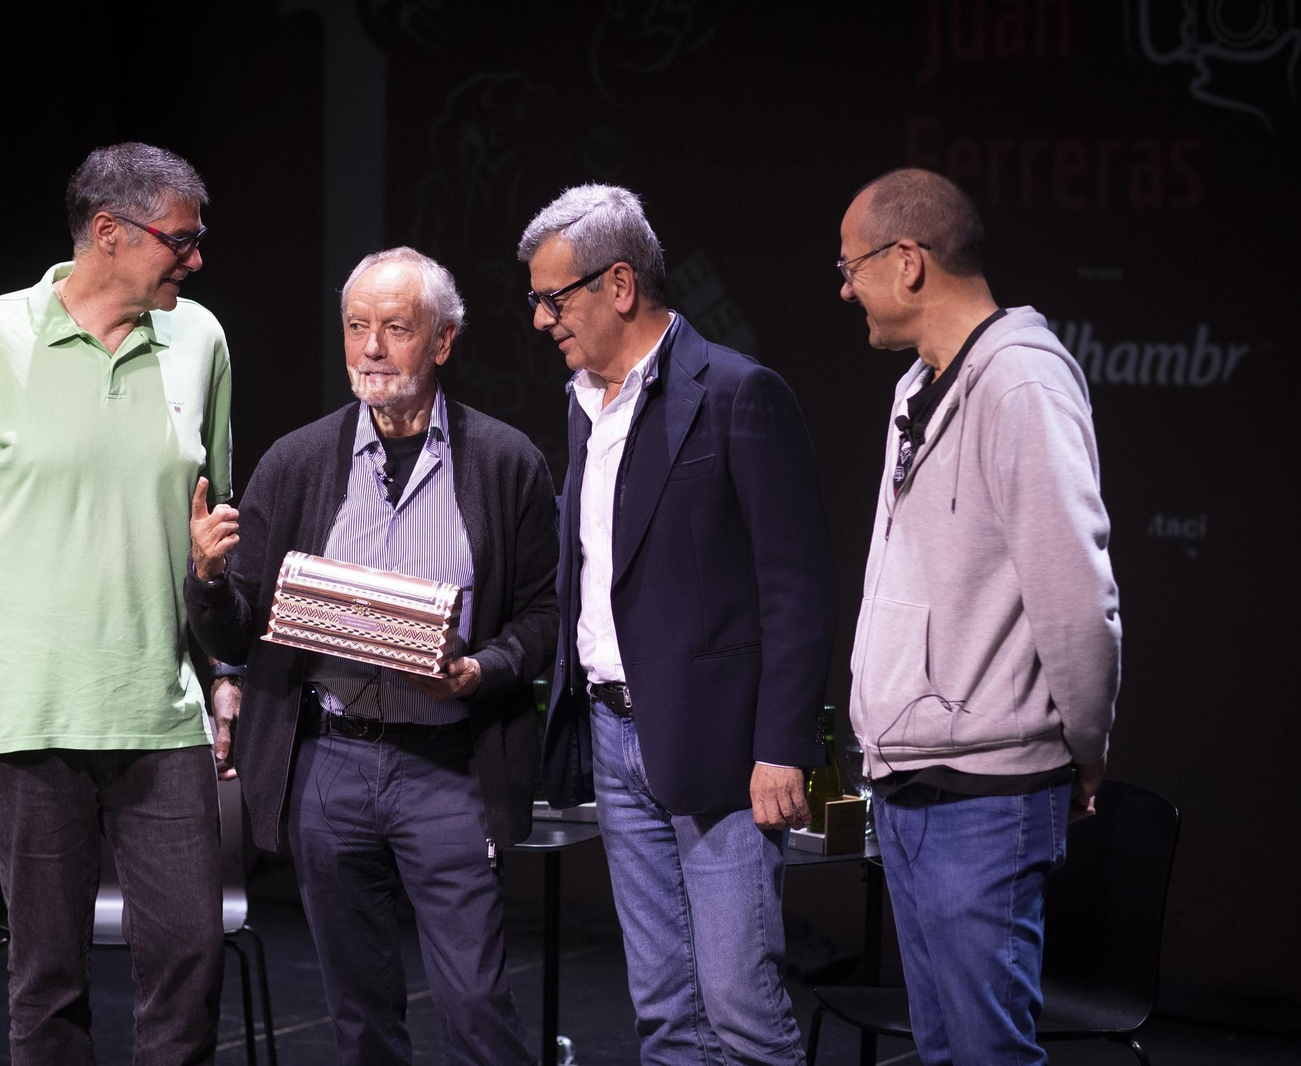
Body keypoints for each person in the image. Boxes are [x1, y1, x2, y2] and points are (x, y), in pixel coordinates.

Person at [0, 142, 233, 1066]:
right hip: (23, 714)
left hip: (160, 711)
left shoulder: (200, 340)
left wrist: (223, 668)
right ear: (109, 234)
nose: (196, 260)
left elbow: (213, 527)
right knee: (48, 978)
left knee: (192, 958)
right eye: (181, 240)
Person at [185, 247, 556, 1066]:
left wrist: (480, 669)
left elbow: (541, 614)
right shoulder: (297, 463)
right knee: (359, 1021)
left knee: (477, 1014)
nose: (373, 349)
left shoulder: (504, 463)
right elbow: (239, 631)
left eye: (396, 327)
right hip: (333, 765)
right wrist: (208, 581)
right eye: (358, 328)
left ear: (443, 342)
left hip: (451, 769)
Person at [523, 184, 836, 1066]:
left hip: (724, 748)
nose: (543, 320)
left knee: (739, 1005)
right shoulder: (587, 405)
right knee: (664, 1011)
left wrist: (783, 745)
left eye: (555, 298)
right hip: (620, 735)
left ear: (619, 284)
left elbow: (797, 586)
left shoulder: (739, 394)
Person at [838, 167, 1122, 1065]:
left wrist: (1086, 743)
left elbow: (1075, 596)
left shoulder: (1021, 384)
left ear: (908, 262)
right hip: (912, 779)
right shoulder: (917, 387)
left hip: (989, 790)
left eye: (851, 266)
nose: (844, 287)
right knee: (943, 1050)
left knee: (985, 1054)